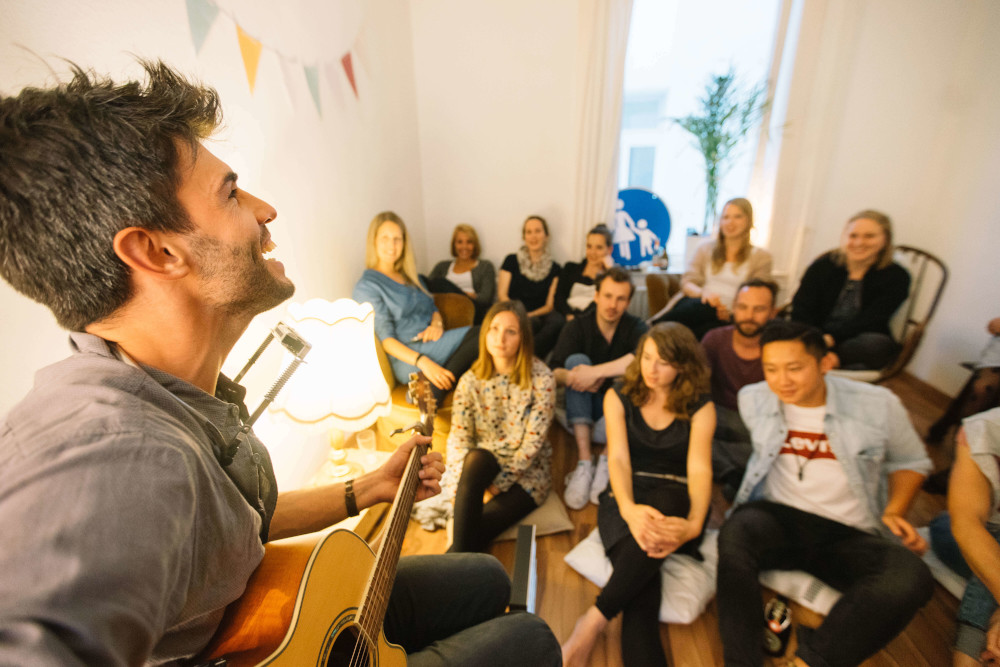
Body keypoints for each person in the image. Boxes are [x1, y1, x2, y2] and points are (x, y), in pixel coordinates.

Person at [0, 61, 561, 666]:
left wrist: (367, 487)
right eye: (231, 192)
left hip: (267, 623)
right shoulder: (109, 455)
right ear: (156, 251)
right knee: (531, 638)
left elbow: (233, 527)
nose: (265, 209)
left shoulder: (176, 389)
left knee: (486, 577)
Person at [717, 319, 934, 667]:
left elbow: (911, 461)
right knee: (734, 534)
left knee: (911, 577)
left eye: (794, 368)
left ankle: (811, 661)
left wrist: (895, 510)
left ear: (826, 363)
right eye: (770, 369)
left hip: (848, 532)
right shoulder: (753, 399)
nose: (782, 380)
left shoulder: (878, 404)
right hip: (779, 518)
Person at [560, 323, 715, 667]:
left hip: (675, 495)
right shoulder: (619, 395)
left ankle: (593, 621)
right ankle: (595, 624)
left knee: (667, 507)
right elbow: (618, 459)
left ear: (682, 366)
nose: (651, 369)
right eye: (646, 357)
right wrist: (629, 509)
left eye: (663, 362)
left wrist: (693, 525)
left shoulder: (701, 406)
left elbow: (699, 469)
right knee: (643, 588)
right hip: (624, 493)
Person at [443, 301, 556, 552]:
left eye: (510, 331)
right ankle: (455, 566)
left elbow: (531, 447)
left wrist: (496, 487)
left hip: (526, 473)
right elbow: (458, 440)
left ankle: (448, 566)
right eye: (494, 329)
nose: (500, 338)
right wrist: (458, 489)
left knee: (469, 536)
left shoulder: (542, 379)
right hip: (481, 465)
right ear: (485, 332)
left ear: (523, 338)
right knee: (475, 458)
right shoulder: (469, 380)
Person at [353, 211, 480, 403]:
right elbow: (386, 340)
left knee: (487, 339)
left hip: (434, 343)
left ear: (404, 243)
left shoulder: (411, 277)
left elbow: (432, 305)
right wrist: (423, 362)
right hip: (409, 356)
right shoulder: (367, 286)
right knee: (482, 334)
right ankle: (431, 386)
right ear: (374, 241)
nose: (392, 245)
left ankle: (430, 388)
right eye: (385, 238)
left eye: (397, 239)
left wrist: (437, 324)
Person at [549, 267, 649, 510]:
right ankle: (584, 462)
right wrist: (574, 376)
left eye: (620, 299)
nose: (613, 305)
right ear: (596, 296)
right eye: (608, 296)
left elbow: (641, 359)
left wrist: (596, 372)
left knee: (633, 374)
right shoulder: (577, 326)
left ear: (628, 302)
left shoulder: (636, 327)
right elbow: (553, 372)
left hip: (618, 419)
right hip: (580, 413)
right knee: (576, 361)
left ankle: (606, 460)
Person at [791, 210, 910, 370]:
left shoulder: (897, 276)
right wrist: (813, 337)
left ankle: (828, 359)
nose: (859, 243)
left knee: (877, 346)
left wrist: (831, 339)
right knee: (773, 328)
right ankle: (823, 358)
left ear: (885, 239)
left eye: (869, 236)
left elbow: (873, 319)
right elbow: (802, 307)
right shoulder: (823, 266)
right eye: (853, 236)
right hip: (813, 334)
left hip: (855, 339)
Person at [649, 198, 772, 340]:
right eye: (726, 217)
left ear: (748, 220)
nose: (730, 222)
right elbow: (687, 283)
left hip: (730, 314)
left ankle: (653, 332)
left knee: (702, 334)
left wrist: (731, 312)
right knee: (704, 308)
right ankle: (656, 331)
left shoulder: (761, 257)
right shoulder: (705, 248)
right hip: (700, 303)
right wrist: (704, 294)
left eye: (737, 216)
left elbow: (759, 294)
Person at [701, 279, 779, 500]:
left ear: (772, 312)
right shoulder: (715, 339)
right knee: (686, 430)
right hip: (720, 418)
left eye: (759, 309)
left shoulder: (780, 347)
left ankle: (734, 470)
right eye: (743, 307)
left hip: (761, 423)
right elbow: (694, 385)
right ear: (733, 307)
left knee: (774, 444)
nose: (749, 315)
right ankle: (734, 473)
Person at [934, 409, 1000, 666]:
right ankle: (968, 652)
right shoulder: (985, 429)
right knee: (990, 543)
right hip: (959, 532)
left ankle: (970, 650)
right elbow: (967, 528)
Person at [498, 215, 564, 358]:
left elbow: (549, 306)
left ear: (546, 236)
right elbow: (502, 295)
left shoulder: (555, 268)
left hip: (538, 317)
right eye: (529, 232)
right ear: (524, 237)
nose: (533, 236)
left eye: (538, 231)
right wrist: (517, 314)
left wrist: (528, 315)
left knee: (556, 320)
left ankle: (528, 357)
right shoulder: (511, 260)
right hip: (512, 312)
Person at [426, 223, 497, 324]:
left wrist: (464, 295)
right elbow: (426, 290)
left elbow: (486, 298)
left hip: (472, 309)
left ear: (475, 245)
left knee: (441, 282)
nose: (464, 246)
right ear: (454, 245)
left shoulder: (485, 266)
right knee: (422, 279)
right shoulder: (442, 266)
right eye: (460, 242)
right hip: (445, 310)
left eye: (469, 242)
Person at [554, 224, 614, 320]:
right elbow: (559, 298)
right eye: (589, 246)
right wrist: (569, 315)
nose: (593, 252)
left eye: (599, 247)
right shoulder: (570, 268)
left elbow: (607, 303)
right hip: (564, 318)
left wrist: (610, 270)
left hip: (589, 321)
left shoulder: (608, 278)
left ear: (609, 250)